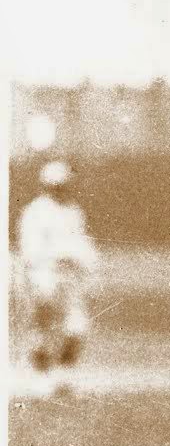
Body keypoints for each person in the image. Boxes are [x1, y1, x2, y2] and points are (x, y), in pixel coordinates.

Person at [16, 159, 99, 392]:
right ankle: (41, 376)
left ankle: (63, 374)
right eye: (56, 185)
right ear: (47, 185)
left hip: (70, 276)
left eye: (64, 185)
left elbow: (83, 244)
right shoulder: (34, 212)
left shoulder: (74, 212)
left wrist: (87, 265)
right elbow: (30, 250)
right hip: (43, 274)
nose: (61, 189)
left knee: (77, 326)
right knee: (42, 328)